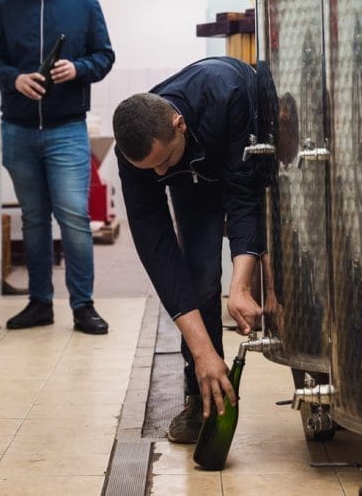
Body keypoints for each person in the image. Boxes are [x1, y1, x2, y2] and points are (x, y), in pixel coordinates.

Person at [112, 56, 266, 443]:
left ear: (178, 124)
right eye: (150, 169)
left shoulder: (226, 93)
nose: (159, 175)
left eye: (163, 161)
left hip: (241, 150)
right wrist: (201, 350)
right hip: (193, 179)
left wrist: (241, 287)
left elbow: (243, 196)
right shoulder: (139, 154)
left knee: (274, 270)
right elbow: (156, 246)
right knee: (200, 275)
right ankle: (202, 395)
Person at [0, 0, 115, 335]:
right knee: (34, 220)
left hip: (67, 130)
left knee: (73, 217)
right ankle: (39, 303)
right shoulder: (3, 10)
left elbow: (104, 56)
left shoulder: (84, 5)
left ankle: (83, 306)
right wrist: (14, 79)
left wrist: (78, 68)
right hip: (18, 130)